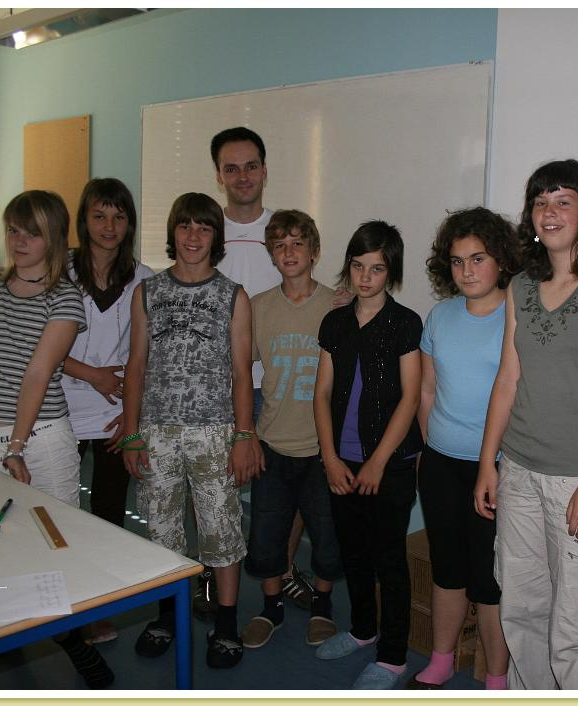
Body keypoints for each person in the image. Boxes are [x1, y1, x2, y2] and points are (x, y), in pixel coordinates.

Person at [474, 159, 578, 689]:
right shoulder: (520, 287)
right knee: (522, 611)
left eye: (563, 200)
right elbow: (508, 379)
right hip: (519, 473)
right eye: (540, 201)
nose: (549, 212)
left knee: (577, 628)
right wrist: (487, 463)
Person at [0, 190, 113, 688]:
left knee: (54, 542)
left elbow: (39, 373)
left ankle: (73, 639)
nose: (19, 241)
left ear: (54, 238)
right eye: (13, 230)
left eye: (32, 233)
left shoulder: (65, 297)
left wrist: (16, 447)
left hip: (41, 438)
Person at [121, 192, 262, 669]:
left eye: (204, 227)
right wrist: (131, 432)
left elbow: (241, 372)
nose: (194, 236)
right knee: (162, 530)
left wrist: (244, 436)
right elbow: (136, 365)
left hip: (215, 431)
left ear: (216, 236)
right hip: (157, 432)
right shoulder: (147, 293)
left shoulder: (233, 296)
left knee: (220, 530)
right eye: (185, 226)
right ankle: (168, 615)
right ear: (173, 232)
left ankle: (226, 622)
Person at [198, 126, 314, 617]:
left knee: (289, 493)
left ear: (264, 170)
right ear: (219, 175)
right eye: (231, 168)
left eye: (250, 166)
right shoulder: (203, 232)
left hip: (274, 390)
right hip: (213, 391)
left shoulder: (283, 232)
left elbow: (305, 294)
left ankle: (282, 570)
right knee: (211, 489)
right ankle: (210, 574)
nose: (242, 176)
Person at [409, 207, 520, 690]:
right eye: (457, 261)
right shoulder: (440, 316)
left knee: (489, 581)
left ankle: (496, 678)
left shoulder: (517, 316)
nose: (467, 271)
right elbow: (427, 390)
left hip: (495, 468)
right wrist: (430, 448)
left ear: (501, 260)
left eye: (478, 259)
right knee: (448, 569)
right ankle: (441, 660)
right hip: (441, 463)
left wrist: (494, 463)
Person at [313, 221, 423, 689]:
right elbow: (322, 394)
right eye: (358, 266)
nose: (365, 277)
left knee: (388, 559)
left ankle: (393, 656)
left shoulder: (405, 323)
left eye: (376, 269)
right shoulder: (334, 323)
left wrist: (378, 461)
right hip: (342, 462)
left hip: (390, 465)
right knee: (352, 552)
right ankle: (362, 630)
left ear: (390, 273)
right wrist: (330, 457)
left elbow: (411, 397)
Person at [241, 209, 343, 651]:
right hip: (272, 442)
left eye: (298, 243)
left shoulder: (337, 305)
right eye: (279, 245)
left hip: (323, 448)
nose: (289, 252)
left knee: (327, 536)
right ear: (270, 254)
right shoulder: (258, 307)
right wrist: (245, 433)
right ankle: (271, 609)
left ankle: (322, 605)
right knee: (266, 534)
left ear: (314, 252)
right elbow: (239, 371)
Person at [61, 177, 153, 644]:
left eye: (119, 216)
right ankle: (61, 599)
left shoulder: (145, 279)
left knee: (108, 511)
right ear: (84, 220)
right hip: (59, 409)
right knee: (60, 508)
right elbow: (38, 343)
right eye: (99, 215)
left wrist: (134, 414)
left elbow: (154, 353)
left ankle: (98, 606)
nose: (109, 226)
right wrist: (92, 375)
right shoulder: (59, 272)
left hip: (116, 415)